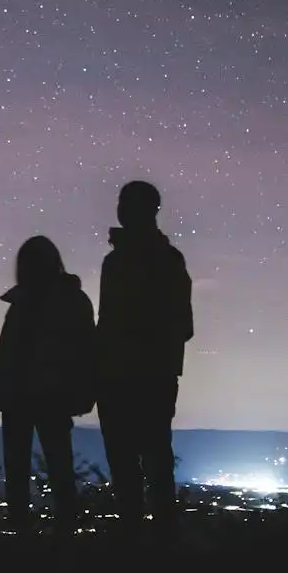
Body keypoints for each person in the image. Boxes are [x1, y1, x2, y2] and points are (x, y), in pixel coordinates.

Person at [0, 235, 96, 534]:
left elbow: (5, 354)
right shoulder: (71, 300)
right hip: (48, 397)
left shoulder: (25, 302)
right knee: (57, 469)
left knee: (25, 470)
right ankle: (60, 534)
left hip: (29, 397)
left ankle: (26, 533)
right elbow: (87, 351)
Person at [96, 179, 193, 537]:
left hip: (136, 376)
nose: (121, 209)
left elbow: (181, 323)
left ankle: (142, 542)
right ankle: (152, 541)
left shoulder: (139, 261)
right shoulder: (141, 260)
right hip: (142, 376)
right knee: (147, 461)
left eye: (127, 203)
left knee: (138, 461)